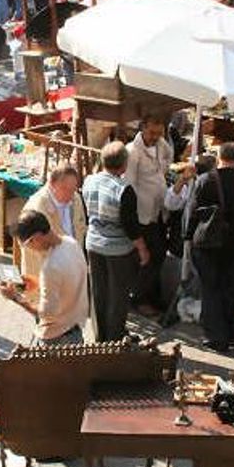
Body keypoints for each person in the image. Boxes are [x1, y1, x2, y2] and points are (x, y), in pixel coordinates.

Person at [186, 143, 234, 352]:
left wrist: (187, 238)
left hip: (208, 243)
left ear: (219, 158)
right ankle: (229, 334)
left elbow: (193, 213)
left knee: (210, 289)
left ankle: (215, 336)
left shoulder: (205, 180)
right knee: (229, 288)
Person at [83, 141, 144, 342]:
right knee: (118, 296)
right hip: (117, 250)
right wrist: (142, 249)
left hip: (93, 244)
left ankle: (100, 336)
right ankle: (114, 340)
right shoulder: (124, 189)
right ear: (124, 165)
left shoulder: (89, 180)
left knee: (99, 292)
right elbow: (131, 225)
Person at [4, 211, 91, 345]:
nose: (29, 249)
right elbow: (67, 282)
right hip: (75, 328)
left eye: (26, 245)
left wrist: (15, 297)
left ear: (36, 237)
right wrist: (37, 283)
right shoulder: (71, 243)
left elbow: (46, 314)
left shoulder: (50, 267)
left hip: (56, 337)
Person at [124, 115, 173, 316]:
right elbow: (129, 186)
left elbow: (168, 160)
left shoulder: (162, 144)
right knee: (150, 257)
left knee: (158, 255)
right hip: (142, 215)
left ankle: (152, 296)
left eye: (159, 133)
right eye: (152, 133)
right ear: (142, 127)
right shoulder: (132, 152)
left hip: (159, 211)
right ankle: (139, 299)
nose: (155, 137)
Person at [21, 163, 87, 275]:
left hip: (73, 266)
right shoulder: (36, 207)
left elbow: (81, 228)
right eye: (65, 189)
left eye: (73, 189)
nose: (71, 195)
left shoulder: (76, 199)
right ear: (52, 184)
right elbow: (35, 248)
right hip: (47, 271)